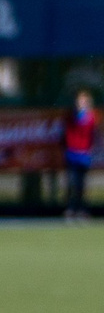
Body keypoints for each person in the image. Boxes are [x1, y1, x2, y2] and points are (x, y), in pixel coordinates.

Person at [65, 90, 95, 220]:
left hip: (84, 155)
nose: (80, 103)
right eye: (79, 101)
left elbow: (90, 132)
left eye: (83, 101)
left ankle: (81, 209)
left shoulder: (90, 117)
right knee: (71, 183)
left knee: (81, 185)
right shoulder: (71, 116)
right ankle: (71, 209)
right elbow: (68, 132)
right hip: (72, 154)